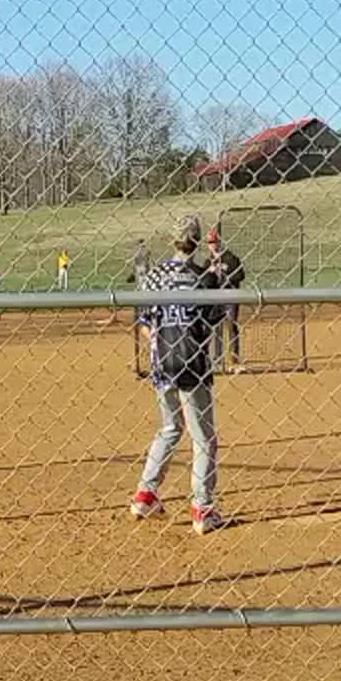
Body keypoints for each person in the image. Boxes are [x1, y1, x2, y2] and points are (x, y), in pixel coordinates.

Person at [128, 214, 225, 534]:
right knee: (204, 439)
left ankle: (145, 494)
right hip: (192, 364)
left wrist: (160, 343)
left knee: (170, 427)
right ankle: (202, 508)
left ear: (172, 241)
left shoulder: (154, 276)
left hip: (161, 363)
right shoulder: (201, 277)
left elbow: (144, 323)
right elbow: (211, 324)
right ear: (196, 242)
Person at [206, 230, 246, 373]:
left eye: (214, 242)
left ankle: (234, 360)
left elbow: (241, 275)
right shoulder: (208, 261)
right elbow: (205, 280)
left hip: (230, 296)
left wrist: (228, 277)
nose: (212, 245)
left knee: (231, 326)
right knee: (215, 328)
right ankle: (217, 359)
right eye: (210, 242)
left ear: (219, 242)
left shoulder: (230, 258)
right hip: (216, 298)